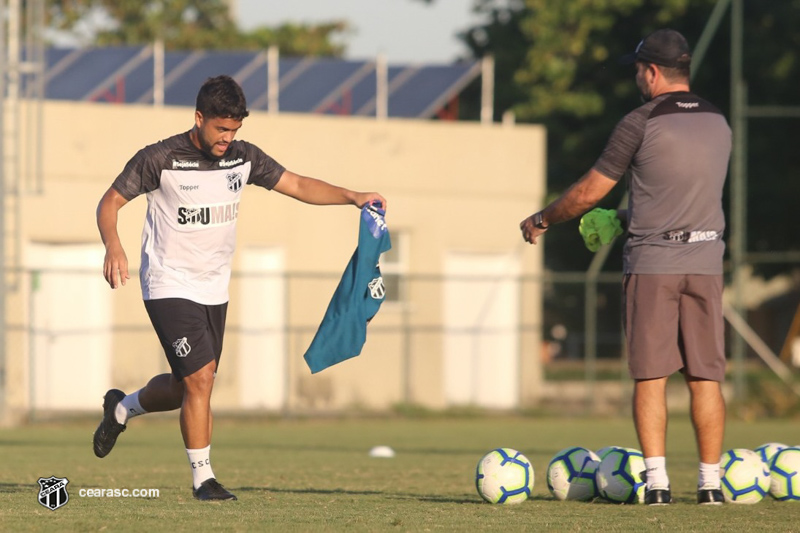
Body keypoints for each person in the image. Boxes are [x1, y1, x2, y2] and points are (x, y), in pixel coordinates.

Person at [94, 75, 386, 501]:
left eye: (234, 130)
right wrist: (113, 245)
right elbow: (110, 202)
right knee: (201, 378)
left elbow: (299, 185)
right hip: (168, 282)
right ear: (199, 118)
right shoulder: (160, 158)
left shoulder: (243, 158)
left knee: (186, 387)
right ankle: (203, 480)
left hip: (215, 288)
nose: (227, 139)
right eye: (221, 129)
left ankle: (122, 408)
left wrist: (353, 196)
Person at [520, 29, 730, 506]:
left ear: (651, 71)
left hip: (654, 264)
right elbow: (683, 198)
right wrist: (622, 217)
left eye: (637, 69)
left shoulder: (640, 121)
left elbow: (591, 190)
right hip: (706, 262)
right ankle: (711, 485)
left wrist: (543, 218)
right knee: (705, 377)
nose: (636, 77)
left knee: (651, 375)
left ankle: (657, 485)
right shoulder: (719, 122)